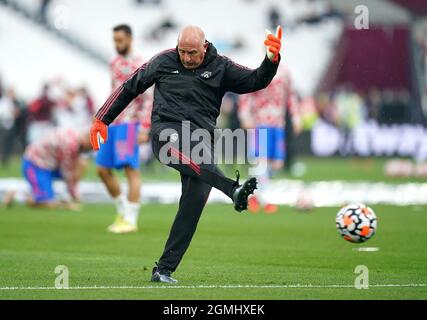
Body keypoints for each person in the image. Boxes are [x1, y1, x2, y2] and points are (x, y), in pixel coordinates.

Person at [90, 25, 282, 283]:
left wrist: (271, 60)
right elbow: (130, 86)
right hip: (166, 134)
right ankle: (232, 189)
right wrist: (103, 118)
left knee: (192, 206)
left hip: (202, 142)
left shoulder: (221, 66)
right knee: (186, 154)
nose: (187, 58)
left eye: (192, 52)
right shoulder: (163, 61)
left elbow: (256, 80)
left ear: (204, 47)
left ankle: (164, 270)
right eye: (182, 51)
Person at [95, 24, 151, 234]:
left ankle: (131, 219)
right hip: (113, 122)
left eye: (120, 40)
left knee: (130, 169)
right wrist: (102, 116)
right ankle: (122, 211)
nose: (117, 44)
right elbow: (113, 92)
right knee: (102, 169)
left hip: (130, 124)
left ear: (130, 38)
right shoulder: (114, 62)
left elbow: (148, 98)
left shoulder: (139, 64)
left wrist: (145, 127)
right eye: (114, 40)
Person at [238, 65, 298, 213]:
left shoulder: (285, 73)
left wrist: (296, 117)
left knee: (276, 164)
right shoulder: (259, 71)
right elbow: (247, 93)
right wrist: (245, 115)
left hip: (278, 124)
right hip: (260, 123)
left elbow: (290, 95)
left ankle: (253, 191)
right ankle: (262, 198)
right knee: (261, 161)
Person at [3, 127, 91, 210]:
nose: (92, 149)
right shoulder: (71, 145)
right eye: (91, 146)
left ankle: (41, 193)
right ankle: (17, 196)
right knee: (47, 202)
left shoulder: (76, 137)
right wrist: (73, 195)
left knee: (81, 163)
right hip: (35, 164)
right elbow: (66, 172)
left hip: (50, 165)